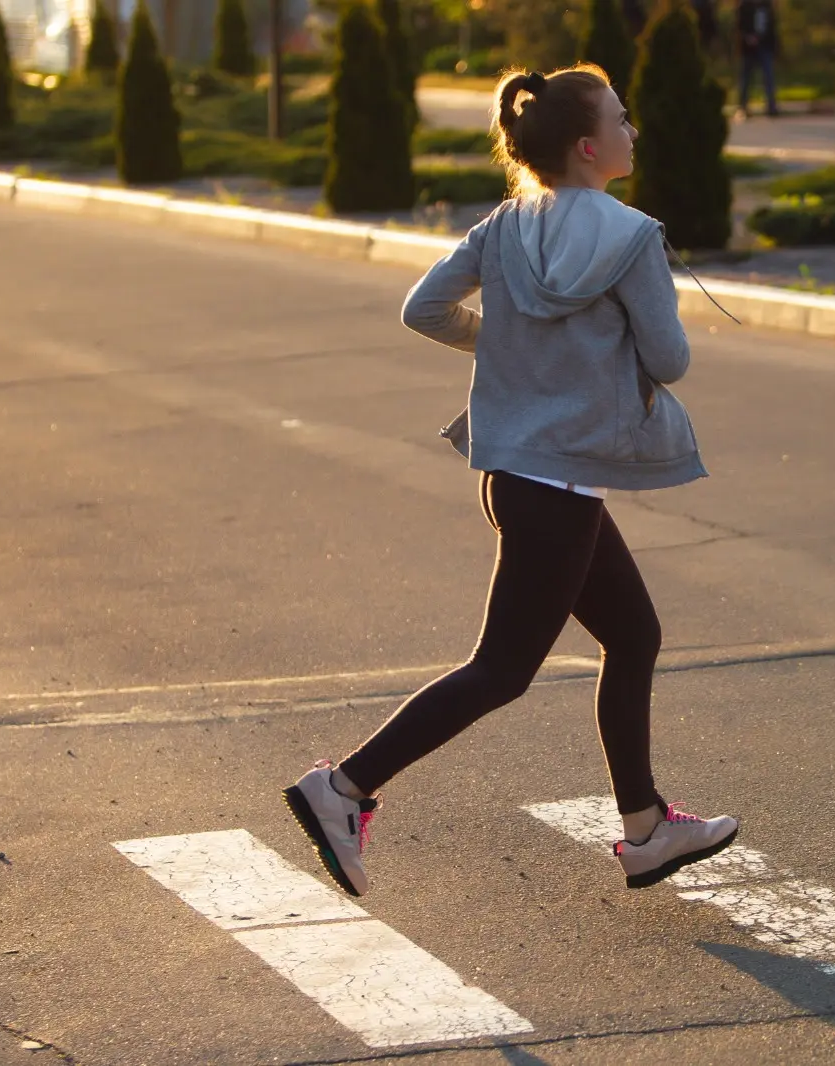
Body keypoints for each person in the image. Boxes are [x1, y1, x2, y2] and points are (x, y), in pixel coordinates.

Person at [283, 63, 739, 899]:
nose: (633, 131)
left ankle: (643, 830)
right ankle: (343, 788)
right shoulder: (631, 236)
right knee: (500, 670)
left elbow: (423, 309)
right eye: (622, 120)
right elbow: (670, 358)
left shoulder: (502, 225)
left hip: (519, 476)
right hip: (557, 489)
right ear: (587, 147)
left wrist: (511, 351)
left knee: (633, 636)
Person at [735, 0, 780, 118]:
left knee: (768, 76)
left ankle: (771, 106)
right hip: (748, 48)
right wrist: (748, 37)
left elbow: (772, 26)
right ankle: (743, 106)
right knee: (746, 78)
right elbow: (740, 26)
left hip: (765, 46)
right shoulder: (744, 6)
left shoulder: (767, 6)